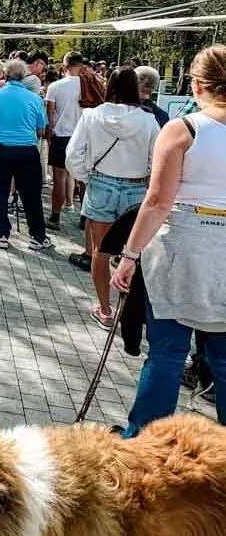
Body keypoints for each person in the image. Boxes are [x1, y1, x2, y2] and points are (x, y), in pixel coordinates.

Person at [112, 44, 226, 436]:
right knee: (224, 358)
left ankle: (142, 440)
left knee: (166, 353)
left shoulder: (183, 129)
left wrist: (129, 254)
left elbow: (158, 200)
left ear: (196, 84)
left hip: (184, 242)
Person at [66, 67, 159, 330]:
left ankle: (105, 309)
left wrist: (86, 177)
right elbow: (157, 160)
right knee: (134, 253)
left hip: (101, 183)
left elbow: (73, 155)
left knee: (101, 251)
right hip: (136, 188)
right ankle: (128, 309)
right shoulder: (149, 121)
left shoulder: (92, 116)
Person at [0, 59, 52, 251]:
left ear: (5, 74)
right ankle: (37, 235)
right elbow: (41, 130)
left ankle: (1, 233)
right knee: (32, 194)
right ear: (23, 76)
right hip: (26, 150)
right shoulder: (35, 99)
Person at [45, 51, 84, 232]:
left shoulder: (55, 86)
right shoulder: (90, 85)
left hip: (62, 135)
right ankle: (85, 217)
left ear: (65, 66)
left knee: (59, 179)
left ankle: (55, 216)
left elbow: (50, 114)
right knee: (85, 179)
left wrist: (49, 133)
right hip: (84, 136)